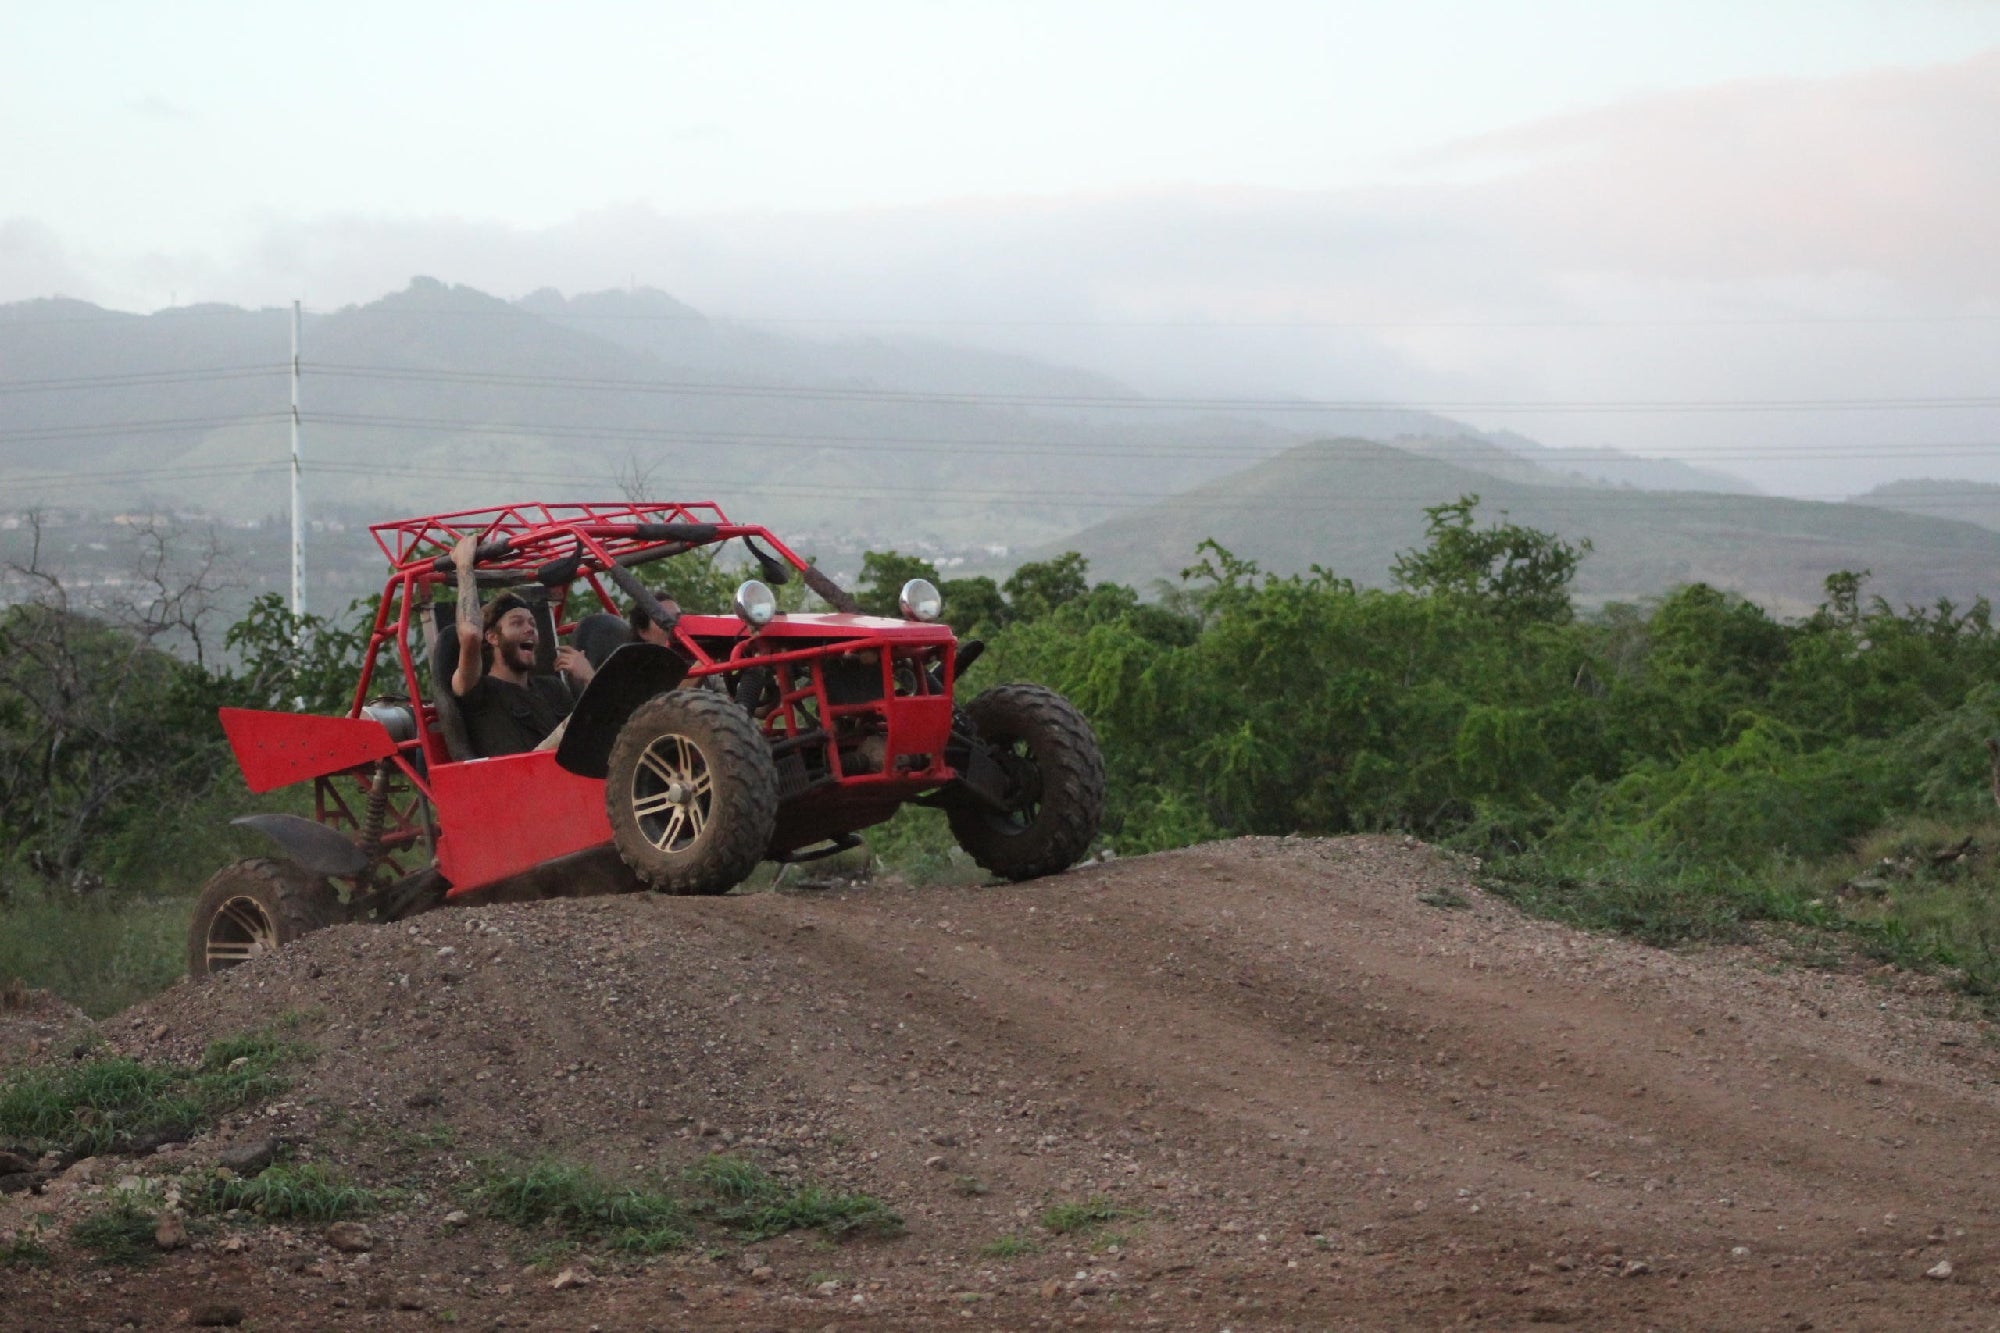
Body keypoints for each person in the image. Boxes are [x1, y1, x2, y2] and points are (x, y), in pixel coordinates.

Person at [449, 534, 595, 756]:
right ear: (492, 637)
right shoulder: (479, 690)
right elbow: (469, 634)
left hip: (568, 777)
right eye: (517, 623)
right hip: (522, 779)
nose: (530, 629)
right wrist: (464, 565)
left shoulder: (552, 688)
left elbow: (592, 736)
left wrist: (589, 678)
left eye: (533, 624)